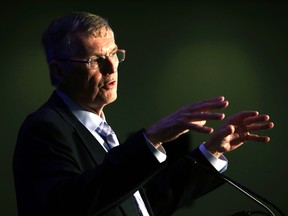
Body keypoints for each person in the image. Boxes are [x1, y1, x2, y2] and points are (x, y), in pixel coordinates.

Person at [12, 11, 274, 216]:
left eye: (114, 54)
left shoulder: (96, 127)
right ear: (58, 70)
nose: (111, 68)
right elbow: (68, 208)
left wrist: (211, 152)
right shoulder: (45, 128)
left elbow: (141, 205)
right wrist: (150, 139)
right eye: (94, 60)